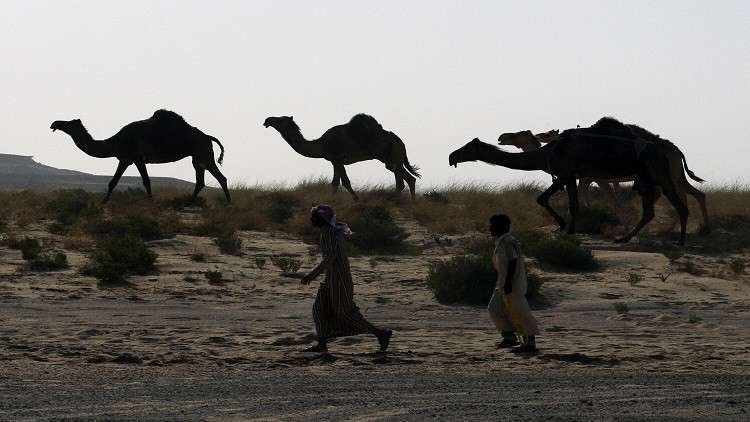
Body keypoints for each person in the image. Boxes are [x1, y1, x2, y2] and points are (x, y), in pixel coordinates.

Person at [300, 204, 392, 354]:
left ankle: (380, 333)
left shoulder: (329, 232)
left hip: (338, 278)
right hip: (331, 278)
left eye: (314, 217)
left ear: (321, 219)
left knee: (344, 313)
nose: (312, 219)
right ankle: (322, 344)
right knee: (319, 310)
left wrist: (312, 275)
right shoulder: (329, 231)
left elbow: (331, 257)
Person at [487, 214, 540, 353]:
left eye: (493, 225)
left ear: (503, 226)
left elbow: (513, 261)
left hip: (512, 283)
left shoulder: (508, 241)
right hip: (502, 283)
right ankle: (509, 337)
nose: (490, 228)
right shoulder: (500, 241)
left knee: (520, 311)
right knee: (494, 308)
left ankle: (530, 342)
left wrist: (509, 282)